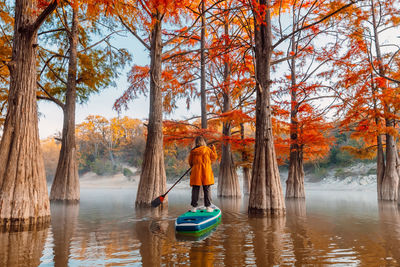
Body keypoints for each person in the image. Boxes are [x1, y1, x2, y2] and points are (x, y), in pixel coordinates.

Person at [188, 136, 218, 212]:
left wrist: (194, 166)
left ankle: (194, 208)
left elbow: (190, 162)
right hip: (206, 171)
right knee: (206, 189)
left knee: (195, 189)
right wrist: (213, 149)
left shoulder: (193, 151)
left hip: (196, 172)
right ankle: (208, 207)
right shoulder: (207, 150)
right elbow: (214, 157)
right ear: (203, 142)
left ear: (195, 142)